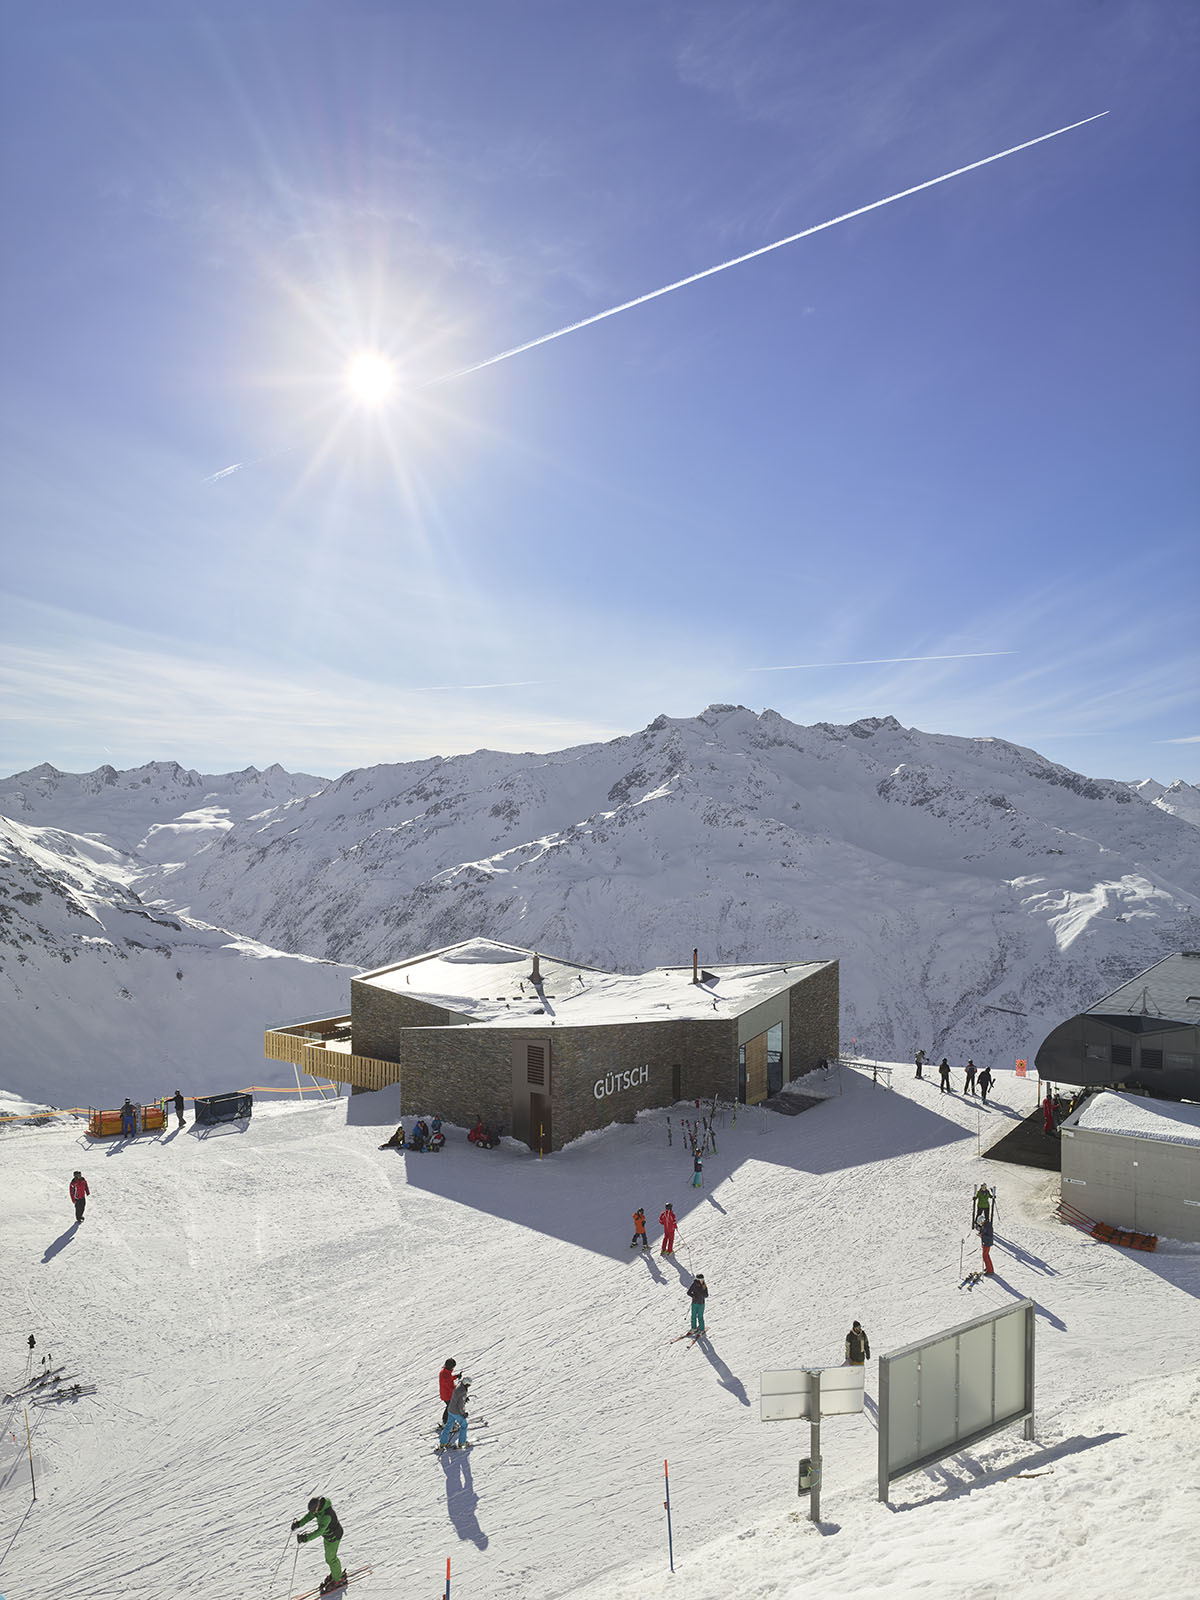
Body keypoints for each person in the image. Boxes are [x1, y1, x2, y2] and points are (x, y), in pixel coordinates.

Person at [292, 1496, 345, 1593]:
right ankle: (336, 1573)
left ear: (318, 1506)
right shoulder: (319, 1509)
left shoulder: (326, 1515)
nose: (314, 1513)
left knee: (331, 1559)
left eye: (314, 1511)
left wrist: (306, 1538)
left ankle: (338, 1579)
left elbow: (320, 1531)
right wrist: (299, 1523)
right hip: (328, 1537)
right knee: (329, 1558)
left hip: (334, 1537)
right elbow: (309, 1516)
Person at [438, 1375, 472, 1450]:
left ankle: (443, 1443)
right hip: (456, 1412)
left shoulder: (459, 1385)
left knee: (448, 1426)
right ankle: (462, 1442)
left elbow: (458, 1398)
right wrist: (463, 1414)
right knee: (464, 1425)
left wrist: (464, 1399)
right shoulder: (463, 1391)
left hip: (450, 1410)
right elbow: (460, 1405)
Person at [439, 1357, 457, 1425]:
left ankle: (445, 1420)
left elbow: (449, 1378)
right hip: (448, 1395)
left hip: (444, 1394)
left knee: (449, 1407)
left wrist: (456, 1376)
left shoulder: (443, 1372)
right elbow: (452, 1388)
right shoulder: (447, 1376)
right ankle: (447, 1422)